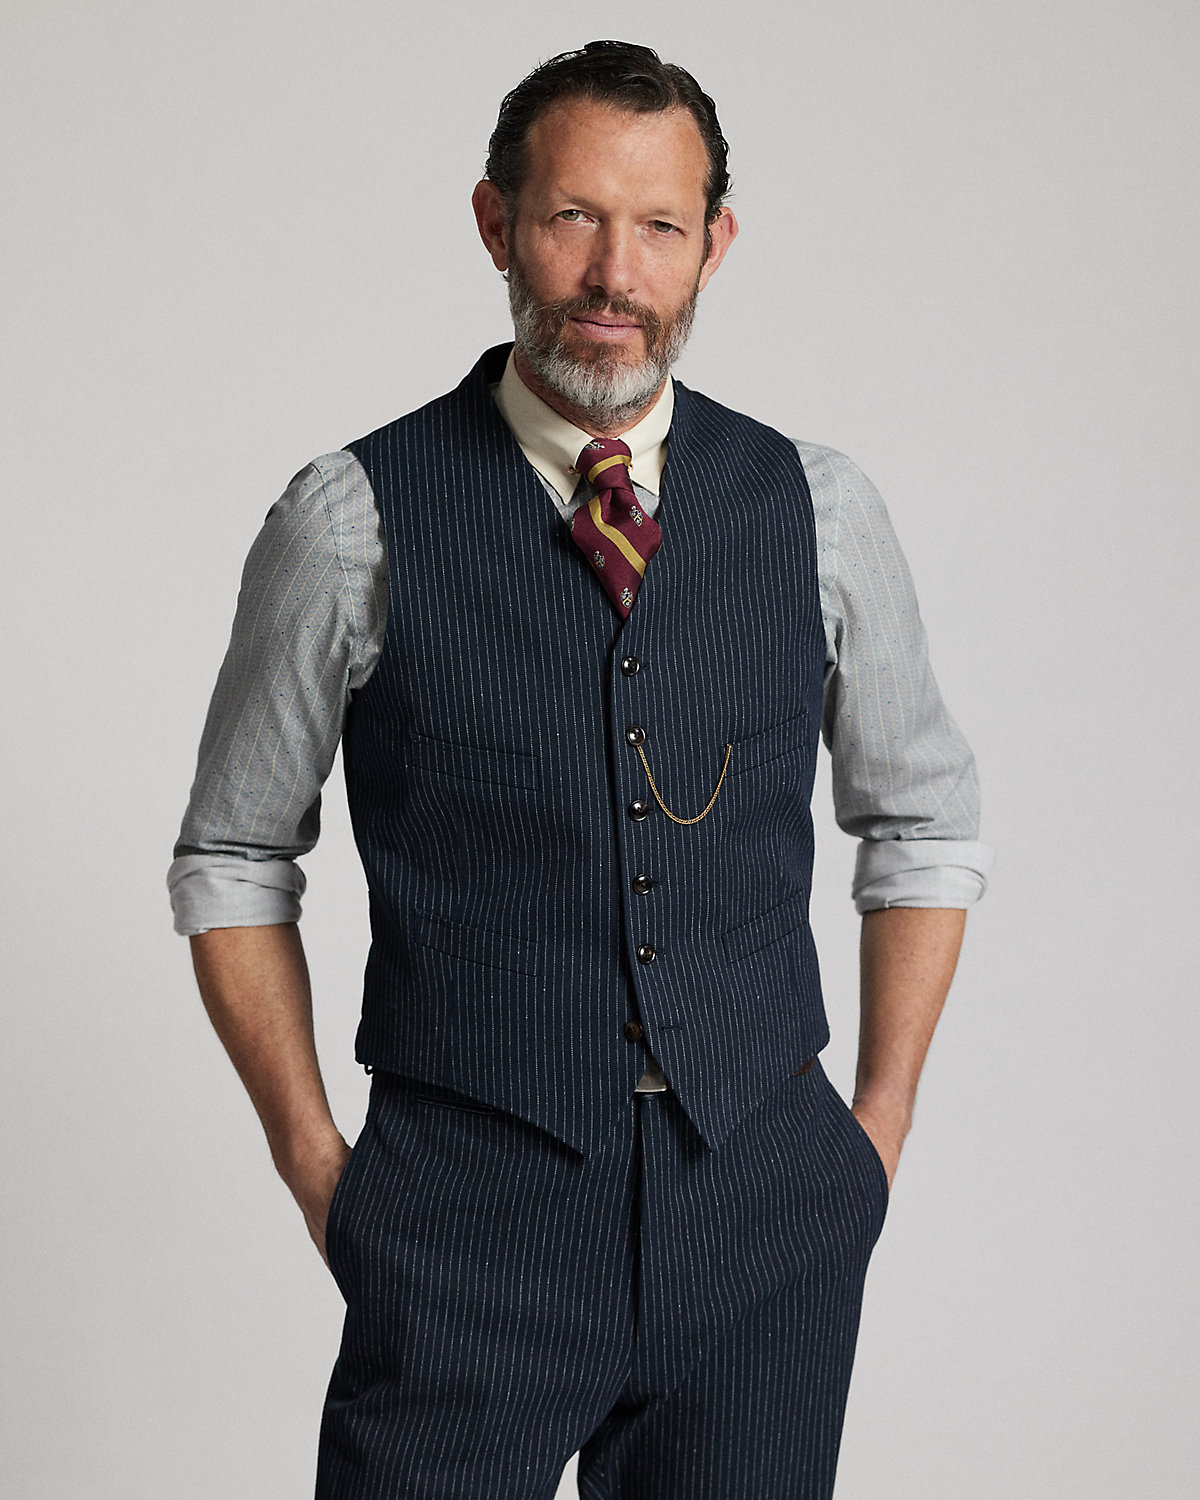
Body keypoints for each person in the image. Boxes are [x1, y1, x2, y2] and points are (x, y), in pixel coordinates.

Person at [169, 40, 991, 1500]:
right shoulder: (350, 518)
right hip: (466, 1213)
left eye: (659, 225)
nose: (617, 273)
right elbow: (233, 857)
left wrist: (871, 1137)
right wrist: (318, 1166)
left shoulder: (818, 508)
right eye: (572, 218)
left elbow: (922, 820)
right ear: (497, 225)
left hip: (764, 1205)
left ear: (712, 247)